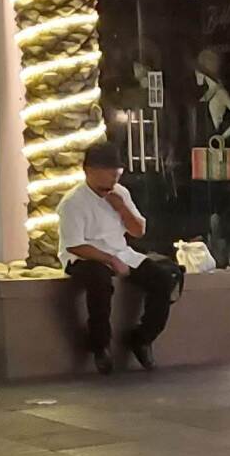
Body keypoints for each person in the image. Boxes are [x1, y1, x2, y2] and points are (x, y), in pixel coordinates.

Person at [56, 142, 181, 371]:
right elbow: (74, 245)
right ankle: (100, 345)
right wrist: (110, 260)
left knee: (162, 279)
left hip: (120, 251)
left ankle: (142, 338)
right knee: (100, 281)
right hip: (85, 257)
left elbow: (138, 231)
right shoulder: (73, 202)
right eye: (109, 172)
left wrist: (121, 208)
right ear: (90, 171)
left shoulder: (120, 193)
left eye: (117, 172)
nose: (114, 178)